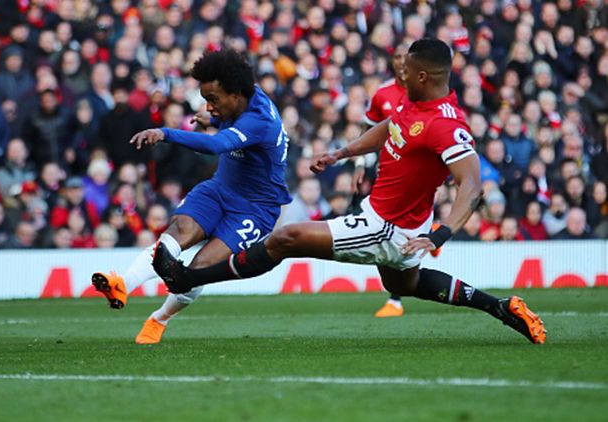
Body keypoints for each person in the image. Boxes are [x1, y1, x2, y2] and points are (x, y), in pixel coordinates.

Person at [152, 39, 546, 345]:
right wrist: (343, 152)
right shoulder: (416, 104)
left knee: (287, 238)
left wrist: (441, 233)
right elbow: (391, 126)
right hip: (395, 219)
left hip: (389, 226)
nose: (399, 76)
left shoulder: (445, 125)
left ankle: (186, 279)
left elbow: (472, 183)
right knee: (402, 285)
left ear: (423, 75)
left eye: (405, 71)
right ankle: (500, 307)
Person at [91, 49, 291, 344]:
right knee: (176, 235)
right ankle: (123, 284)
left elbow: (217, 145)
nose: (208, 105)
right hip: (219, 189)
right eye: (206, 98)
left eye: (213, 99)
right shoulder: (243, 97)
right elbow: (228, 127)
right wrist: (215, 120)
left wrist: (166, 133)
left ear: (235, 95)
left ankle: (158, 320)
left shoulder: (260, 120)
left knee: (199, 269)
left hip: (254, 210)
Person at [361, 43, 412, 318]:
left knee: (398, 230)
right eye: (397, 57)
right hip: (388, 172)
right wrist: (359, 162)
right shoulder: (382, 94)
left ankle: (396, 297)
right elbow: (368, 130)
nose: (402, 62)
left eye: (407, 57)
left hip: (417, 173)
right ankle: (395, 296)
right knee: (389, 229)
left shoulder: (426, 93)